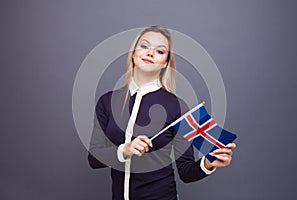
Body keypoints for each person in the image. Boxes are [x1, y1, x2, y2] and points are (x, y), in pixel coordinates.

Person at [88, 25, 236, 200]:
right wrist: (124, 150)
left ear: (166, 62)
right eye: (144, 46)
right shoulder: (107, 102)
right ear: (133, 54)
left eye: (160, 51)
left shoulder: (177, 106)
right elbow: (94, 159)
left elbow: (186, 172)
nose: (150, 53)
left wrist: (207, 164)